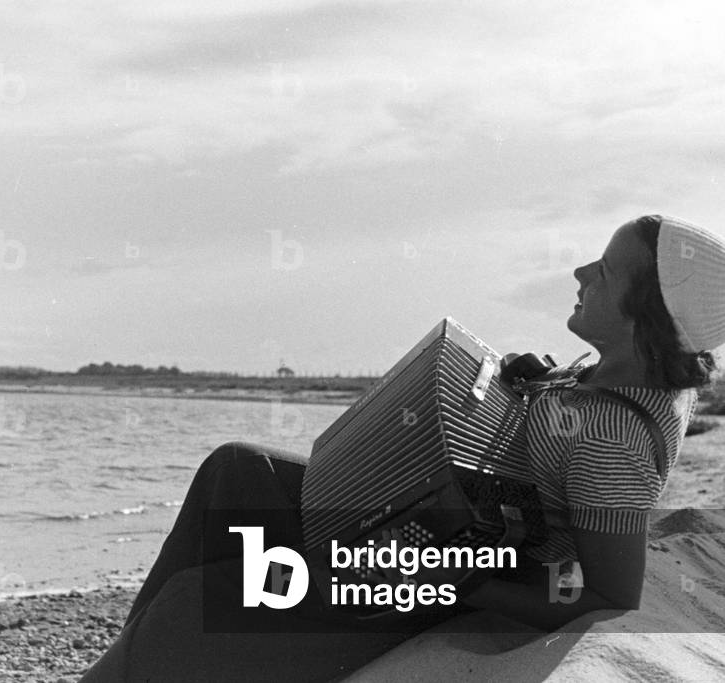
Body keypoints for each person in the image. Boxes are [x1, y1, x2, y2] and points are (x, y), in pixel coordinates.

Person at [81, 215, 725, 682]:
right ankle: (133, 663)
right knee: (240, 468)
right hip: (431, 536)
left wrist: (463, 583)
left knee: (198, 604)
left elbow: (607, 594)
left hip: (434, 577)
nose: (581, 271)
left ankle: (144, 657)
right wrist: (539, 382)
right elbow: (567, 436)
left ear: (645, 313)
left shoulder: (615, 439)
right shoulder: (631, 371)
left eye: (605, 270)